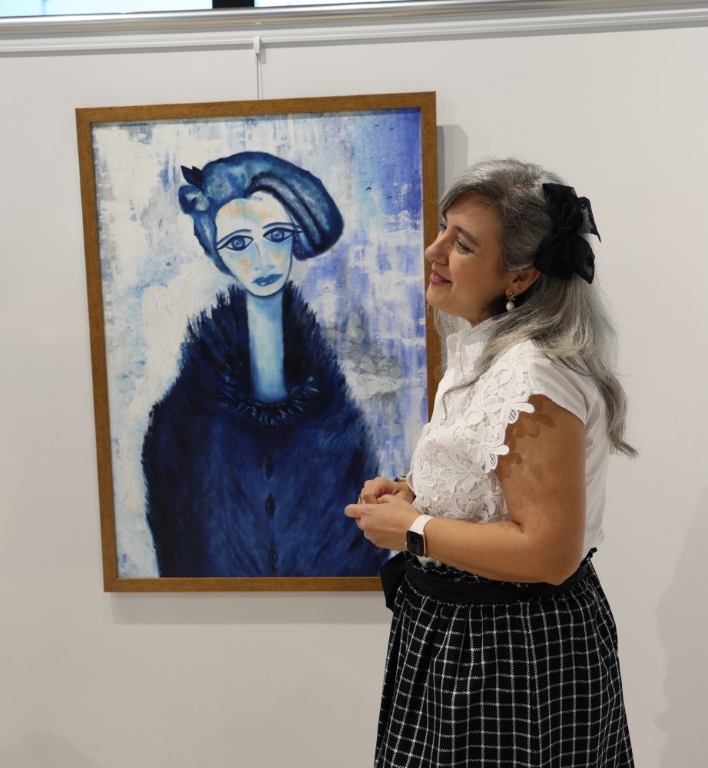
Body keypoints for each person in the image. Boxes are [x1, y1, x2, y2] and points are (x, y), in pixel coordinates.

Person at [345, 157, 635, 767]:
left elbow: (549, 552)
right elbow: (490, 487)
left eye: (463, 243)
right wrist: (413, 492)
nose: (434, 251)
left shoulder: (532, 375)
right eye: (443, 230)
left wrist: (413, 530)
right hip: (462, 637)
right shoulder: (487, 354)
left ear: (520, 277)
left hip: (508, 651)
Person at [143, 151, 384, 578]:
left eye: (276, 235)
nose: (262, 258)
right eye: (239, 243)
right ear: (218, 254)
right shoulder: (180, 428)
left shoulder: (338, 423)